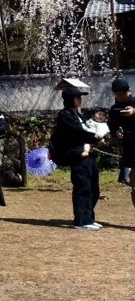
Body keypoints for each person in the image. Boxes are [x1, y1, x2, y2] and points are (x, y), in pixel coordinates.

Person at [50, 87, 106, 230]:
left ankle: (89, 217)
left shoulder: (78, 114)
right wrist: (95, 138)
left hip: (89, 154)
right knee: (83, 188)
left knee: (93, 188)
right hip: (77, 156)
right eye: (78, 98)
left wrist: (97, 139)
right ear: (72, 100)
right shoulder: (65, 115)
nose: (80, 100)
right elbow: (77, 133)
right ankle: (82, 220)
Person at [107, 78, 135, 197]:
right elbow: (112, 127)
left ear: (129, 91)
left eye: (124, 93)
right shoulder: (114, 109)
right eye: (118, 94)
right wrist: (116, 134)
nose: (121, 96)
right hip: (130, 150)